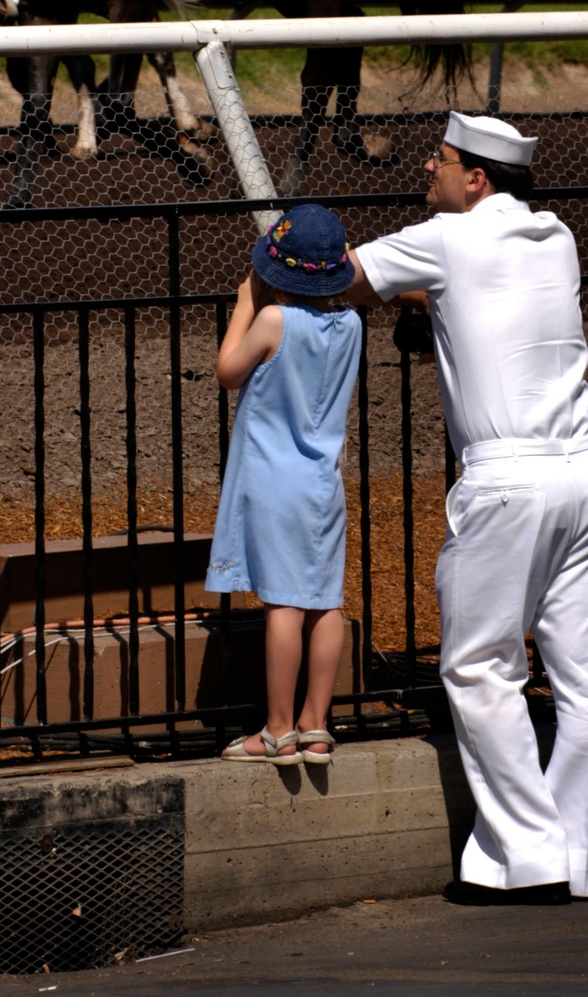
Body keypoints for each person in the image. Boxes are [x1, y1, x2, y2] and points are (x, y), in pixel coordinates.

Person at [348, 112, 588, 905]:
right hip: (585, 473)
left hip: (508, 483)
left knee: (477, 664)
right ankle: (578, 853)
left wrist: (285, 247)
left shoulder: (447, 239)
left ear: (477, 180)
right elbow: (488, 312)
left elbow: (343, 276)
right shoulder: (557, 236)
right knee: (585, 676)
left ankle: (527, 854)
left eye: (441, 159)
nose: (425, 169)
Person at [206, 205, 363, 765]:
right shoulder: (352, 325)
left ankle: (276, 731)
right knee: (325, 603)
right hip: (324, 482)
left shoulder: (274, 322)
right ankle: (315, 726)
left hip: (275, 481)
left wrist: (247, 303)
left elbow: (228, 372)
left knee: (283, 605)